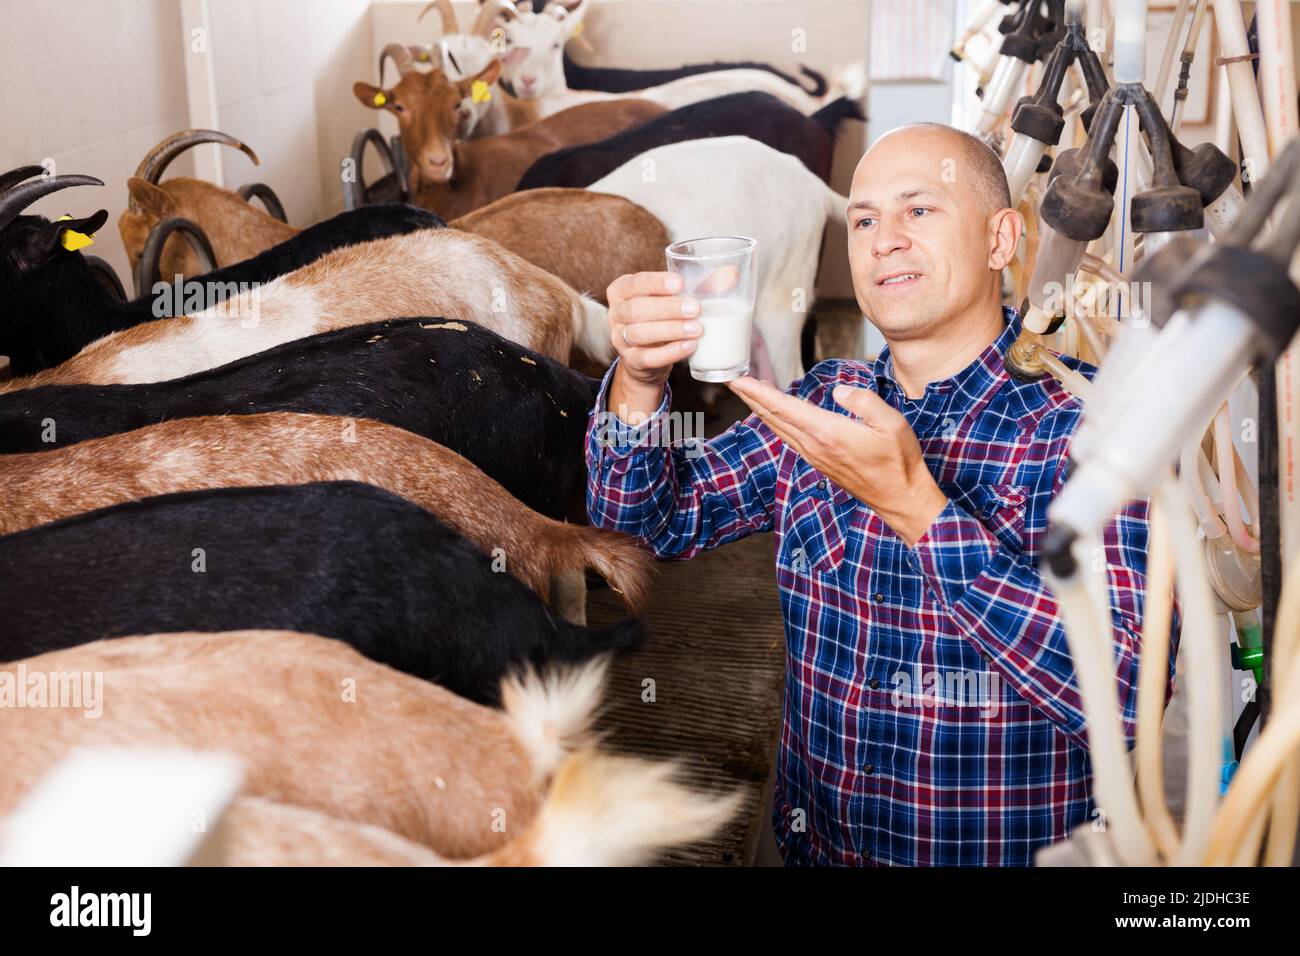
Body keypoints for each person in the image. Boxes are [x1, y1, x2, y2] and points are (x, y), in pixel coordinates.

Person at [584, 122, 1173, 866]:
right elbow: (642, 527)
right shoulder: (827, 400)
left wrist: (916, 508)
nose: (883, 239)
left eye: (919, 210)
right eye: (863, 219)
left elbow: (1126, 696)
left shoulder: (1094, 426)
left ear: (1001, 241)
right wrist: (639, 383)